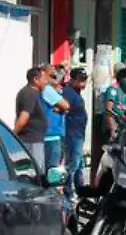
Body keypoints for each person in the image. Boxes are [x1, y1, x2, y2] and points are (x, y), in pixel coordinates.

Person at [14, 67, 54, 169]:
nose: (46, 82)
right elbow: (23, 118)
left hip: (35, 139)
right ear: (35, 80)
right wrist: (12, 135)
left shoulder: (35, 94)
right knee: (36, 171)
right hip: (31, 140)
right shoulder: (29, 94)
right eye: (44, 78)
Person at [61, 68, 89, 202]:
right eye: (80, 79)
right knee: (72, 165)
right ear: (72, 79)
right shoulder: (67, 93)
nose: (83, 83)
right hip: (72, 134)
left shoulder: (76, 94)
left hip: (78, 134)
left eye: (85, 79)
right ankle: (68, 192)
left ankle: (80, 191)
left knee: (79, 166)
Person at [42, 67, 69, 172]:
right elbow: (65, 105)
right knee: (52, 171)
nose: (56, 79)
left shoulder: (52, 90)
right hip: (51, 135)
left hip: (54, 134)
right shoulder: (47, 89)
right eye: (53, 76)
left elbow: (65, 108)